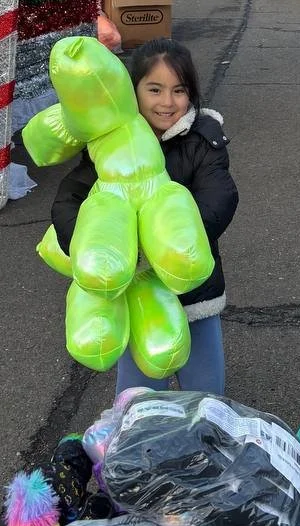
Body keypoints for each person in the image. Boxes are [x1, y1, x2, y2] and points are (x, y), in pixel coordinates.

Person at [51, 37, 238, 395]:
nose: (168, 102)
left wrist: (161, 247)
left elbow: (219, 199)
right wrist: (99, 249)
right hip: (136, 296)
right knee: (137, 395)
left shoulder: (204, 139)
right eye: (154, 89)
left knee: (206, 394)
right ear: (132, 91)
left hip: (193, 291)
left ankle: (204, 443)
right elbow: (70, 200)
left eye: (179, 90)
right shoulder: (108, 143)